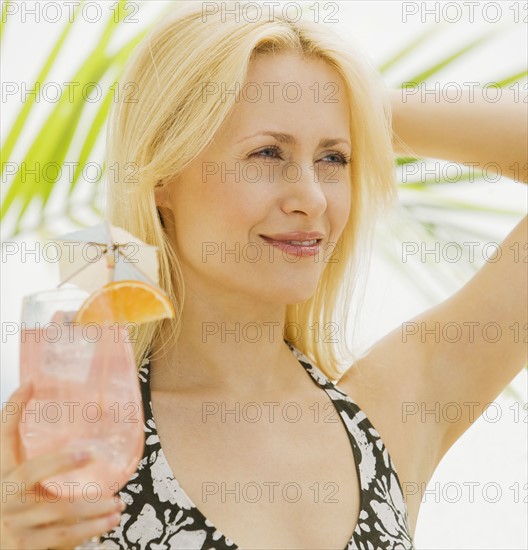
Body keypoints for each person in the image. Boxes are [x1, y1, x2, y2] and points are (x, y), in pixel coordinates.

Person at [1, 2, 526, 549]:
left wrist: (352, 105)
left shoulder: (394, 410)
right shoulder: (81, 442)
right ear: (162, 174)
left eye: (334, 158)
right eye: (268, 153)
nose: (312, 198)